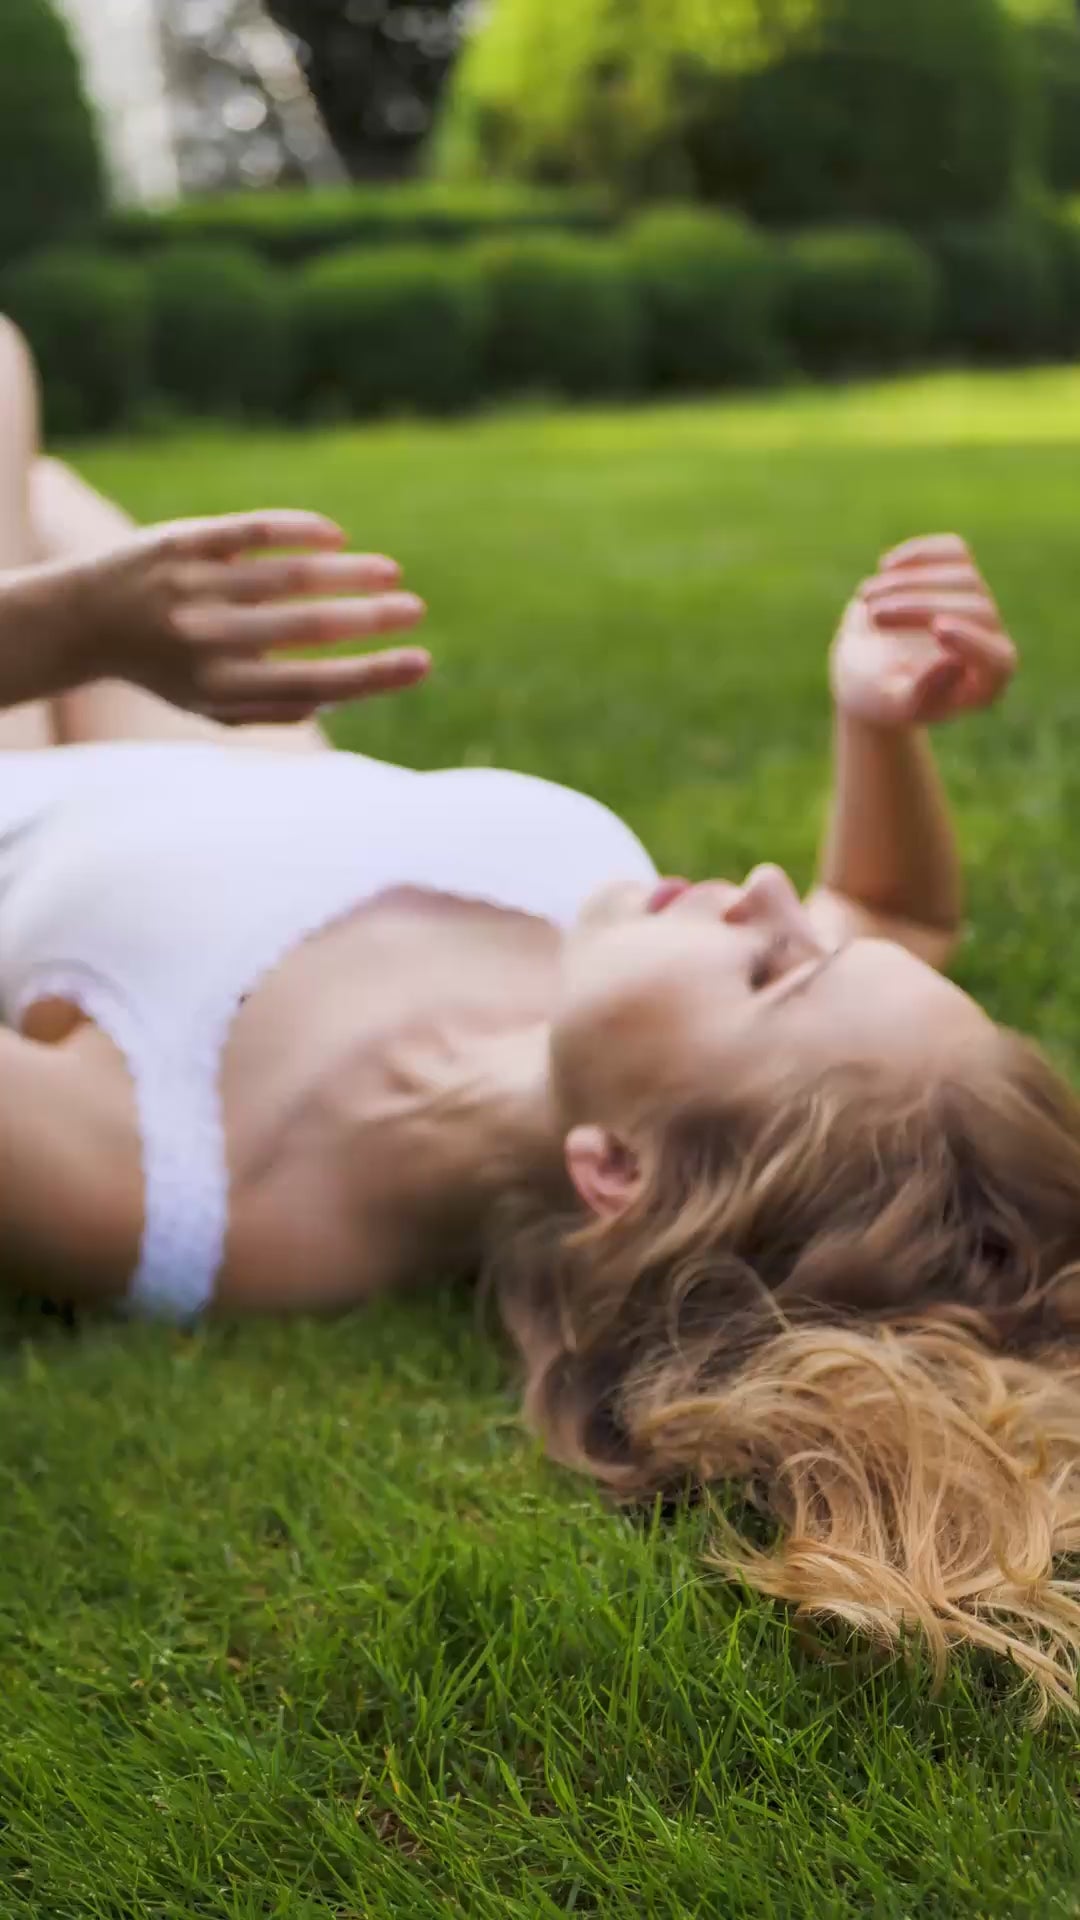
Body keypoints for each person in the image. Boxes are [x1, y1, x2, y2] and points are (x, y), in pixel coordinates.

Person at [3, 322, 1080, 1719]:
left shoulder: (176, 1184)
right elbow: (893, 911)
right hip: (229, 759)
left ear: (614, 1167)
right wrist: (874, 722)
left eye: (775, 971)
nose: (768, 891)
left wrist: (62, 635)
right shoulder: (622, 1007)